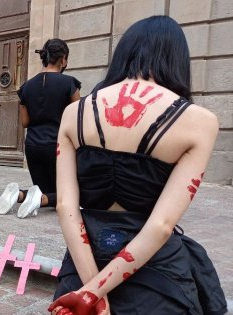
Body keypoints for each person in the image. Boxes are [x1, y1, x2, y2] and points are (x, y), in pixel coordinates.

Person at [48, 16, 227, 315]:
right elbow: (160, 225)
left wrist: (91, 290)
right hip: (156, 278)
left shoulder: (73, 113)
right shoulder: (199, 122)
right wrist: (95, 293)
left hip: (83, 266)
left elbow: (65, 206)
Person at [0, 39, 81, 218]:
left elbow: (25, 122)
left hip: (33, 146)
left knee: (43, 190)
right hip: (59, 146)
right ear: (63, 59)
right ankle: (33, 198)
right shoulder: (69, 84)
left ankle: (19, 195)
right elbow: (78, 117)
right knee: (72, 195)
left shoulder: (27, 87)